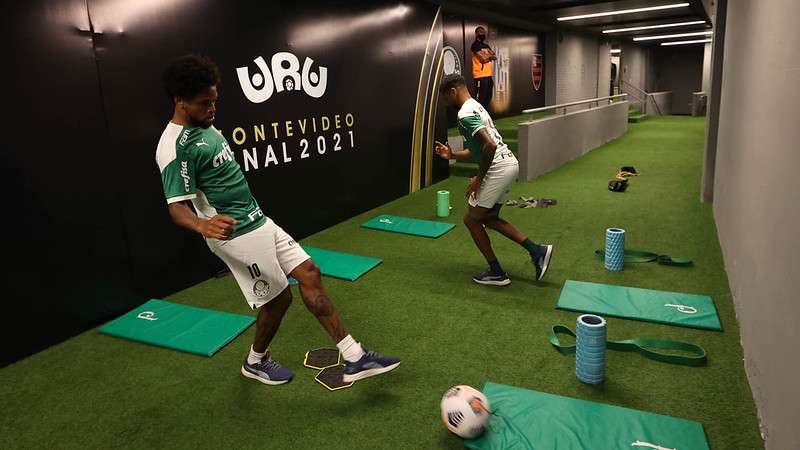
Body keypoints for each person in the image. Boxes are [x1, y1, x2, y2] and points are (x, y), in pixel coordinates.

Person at [156, 55, 400, 385]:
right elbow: (176, 207)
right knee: (280, 298)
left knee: (310, 273)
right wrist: (202, 225)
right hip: (233, 233)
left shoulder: (204, 125)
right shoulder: (173, 147)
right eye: (204, 103)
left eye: (215, 101)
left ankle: (356, 358)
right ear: (180, 102)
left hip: (258, 220)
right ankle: (256, 361)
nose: (213, 109)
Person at [435, 74, 554, 285]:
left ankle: (497, 272)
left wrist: (479, 180)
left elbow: (489, 146)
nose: (445, 103)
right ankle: (537, 251)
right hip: (508, 164)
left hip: (497, 168)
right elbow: (478, 149)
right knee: (488, 219)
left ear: (453, 91)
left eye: (445, 98)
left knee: (471, 220)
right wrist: (452, 155)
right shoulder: (476, 107)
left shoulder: (464, 114)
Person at [470, 26, 496, 109]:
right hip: (479, 75)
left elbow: (494, 56)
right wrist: (489, 56)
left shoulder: (486, 46)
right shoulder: (475, 45)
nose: (483, 34)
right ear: (476, 34)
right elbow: (483, 59)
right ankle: (477, 118)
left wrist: (486, 56)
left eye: (484, 32)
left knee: (488, 97)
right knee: (480, 99)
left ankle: (484, 118)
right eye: (481, 32)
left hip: (488, 75)